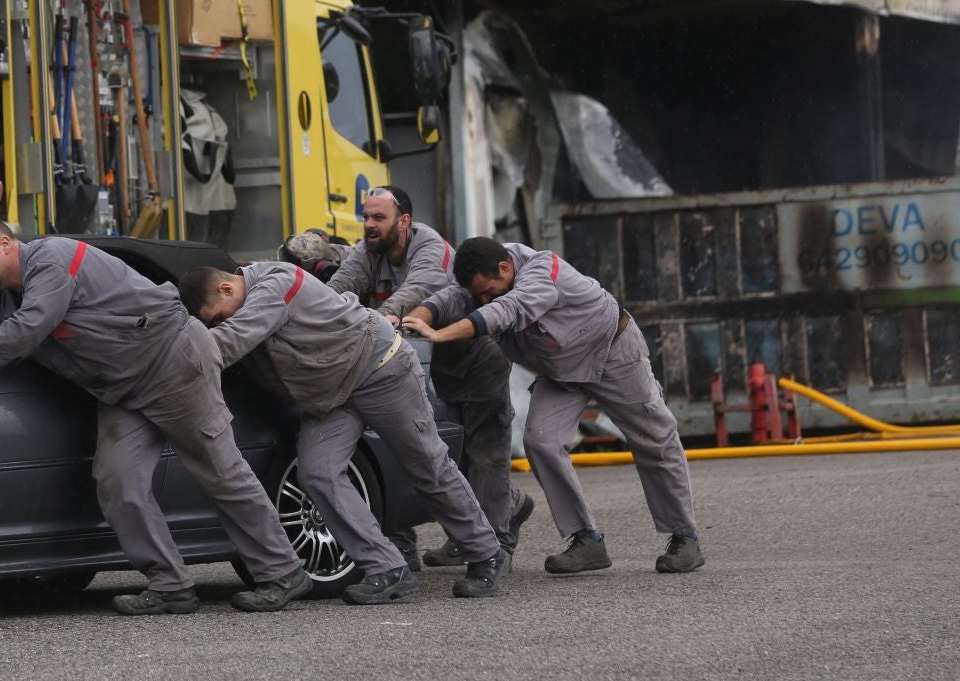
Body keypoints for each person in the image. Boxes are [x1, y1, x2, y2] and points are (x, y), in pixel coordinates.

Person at [0, 216, 311, 615]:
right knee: (118, 480)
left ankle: (282, 572)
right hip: (123, 390)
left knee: (220, 472)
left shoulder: (52, 259)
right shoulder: (1, 302)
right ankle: (170, 586)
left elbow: (32, 325)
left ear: (6, 243)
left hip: (172, 363)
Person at [180, 261, 509, 602]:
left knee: (428, 466)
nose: (221, 323)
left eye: (217, 317)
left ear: (226, 289)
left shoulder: (276, 285)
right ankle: (387, 569)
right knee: (318, 474)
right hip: (332, 396)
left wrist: (159, 362)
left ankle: (487, 554)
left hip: (381, 371)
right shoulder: (246, 297)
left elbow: (230, 341)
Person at [401, 238, 704, 575]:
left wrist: (440, 335)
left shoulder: (542, 270)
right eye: (480, 295)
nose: (485, 298)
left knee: (654, 437)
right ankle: (586, 539)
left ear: (505, 268)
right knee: (541, 441)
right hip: (561, 372)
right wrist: (409, 322)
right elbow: (447, 299)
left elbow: (507, 309)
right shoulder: (485, 278)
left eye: (489, 291)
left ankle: (685, 536)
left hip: (611, 352)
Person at [330, 188, 534, 569]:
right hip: (420, 364)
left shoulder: (431, 249)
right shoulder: (367, 250)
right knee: (427, 454)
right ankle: (410, 545)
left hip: (474, 359)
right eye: (367, 217)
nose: (369, 226)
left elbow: (417, 291)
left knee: (484, 453)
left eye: (379, 218)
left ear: (403, 222)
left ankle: (496, 546)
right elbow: (340, 285)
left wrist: (381, 316)